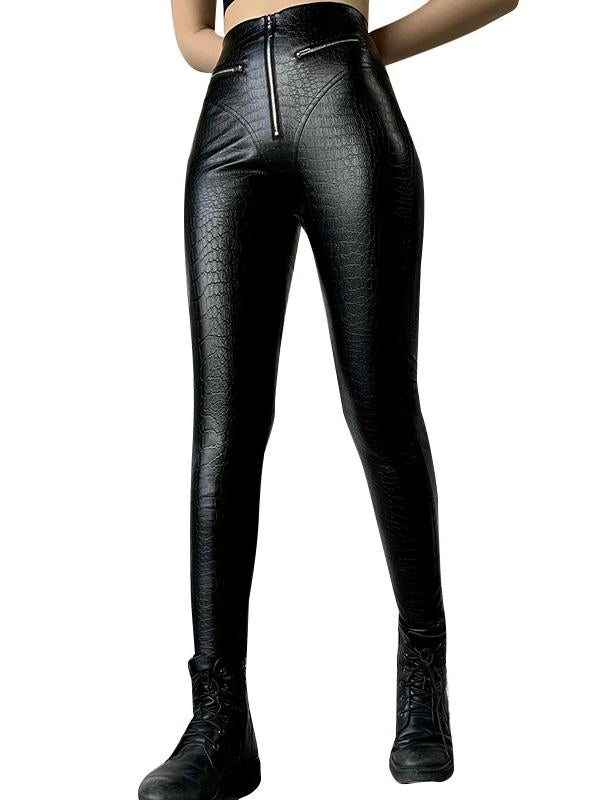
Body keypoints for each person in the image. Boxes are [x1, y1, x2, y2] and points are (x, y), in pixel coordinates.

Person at [138, 1, 518, 797]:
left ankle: (423, 677)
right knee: (223, 431)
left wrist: (359, 50)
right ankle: (220, 722)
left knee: (379, 408)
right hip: (229, 121)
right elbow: (191, 37)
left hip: (342, 100)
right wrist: (251, 57)